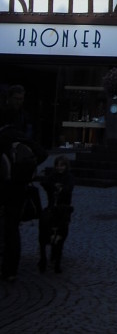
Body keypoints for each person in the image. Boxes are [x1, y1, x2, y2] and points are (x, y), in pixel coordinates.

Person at [0, 84, 46, 281]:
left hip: (10, 184)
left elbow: (40, 152)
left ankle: (9, 269)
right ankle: (10, 269)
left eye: (21, 99)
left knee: (10, 226)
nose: (19, 102)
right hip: (16, 184)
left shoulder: (16, 126)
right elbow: (40, 153)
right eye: (17, 99)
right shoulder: (20, 125)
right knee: (11, 226)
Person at [36, 155, 74, 274]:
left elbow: (69, 188)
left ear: (66, 166)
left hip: (64, 208)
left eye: (62, 165)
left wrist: (62, 189)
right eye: (57, 165)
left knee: (62, 232)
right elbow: (45, 182)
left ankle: (56, 255)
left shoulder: (68, 177)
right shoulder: (53, 175)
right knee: (46, 228)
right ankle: (47, 257)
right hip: (52, 207)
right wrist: (53, 187)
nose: (59, 168)